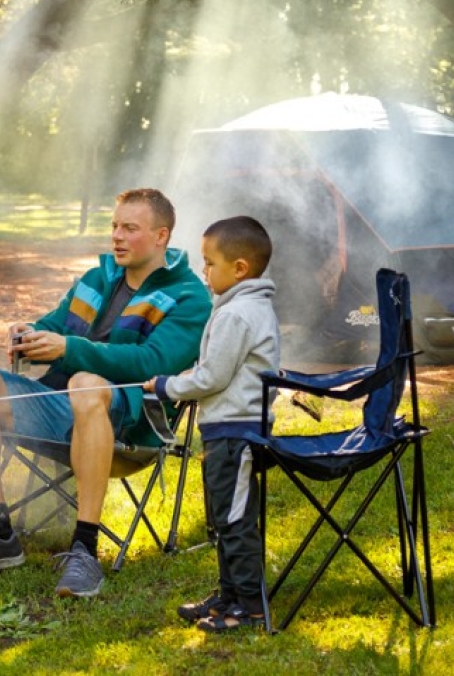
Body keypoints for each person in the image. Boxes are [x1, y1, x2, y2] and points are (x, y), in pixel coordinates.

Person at [0, 188, 212, 598]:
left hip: (128, 426)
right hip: (57, 411)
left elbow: (153, 361)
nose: (116, 236)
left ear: (161, 236)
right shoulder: (98, 277)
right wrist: (27, 333)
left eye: (130, 228)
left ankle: (84, 549)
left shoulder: (189, 297)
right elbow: (55, 324)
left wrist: (70, 350)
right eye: (115, 226)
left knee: (85, 383)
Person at [144, 215, 280, 632]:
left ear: (239, 268)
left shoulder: (237, 314)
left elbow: (212, 377)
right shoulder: (241, 308)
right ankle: (229, 595)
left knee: (236, 520)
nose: (204, 272)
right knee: (222, 518)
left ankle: (251, 607)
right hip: (225, 432)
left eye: (209, 264)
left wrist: (167, 384)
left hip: (236, 434)